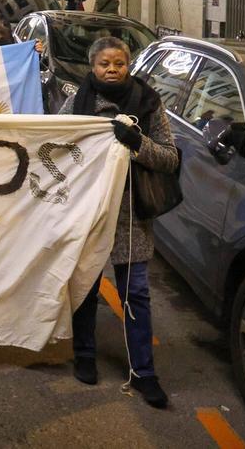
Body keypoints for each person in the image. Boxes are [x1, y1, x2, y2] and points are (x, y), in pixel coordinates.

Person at [59, 36, 177, 410]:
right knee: (86, 287)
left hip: (131, 216)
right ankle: (85, 355)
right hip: (89, 211)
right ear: (92, 67)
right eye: (104, 64)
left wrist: (137, 143)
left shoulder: (149, 102)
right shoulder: (77, 103)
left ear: (129, 65)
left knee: (136, 293)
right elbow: (54, 144)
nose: (112, 70)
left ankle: (144, 371)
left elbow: (170, 158)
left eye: (119, 63)